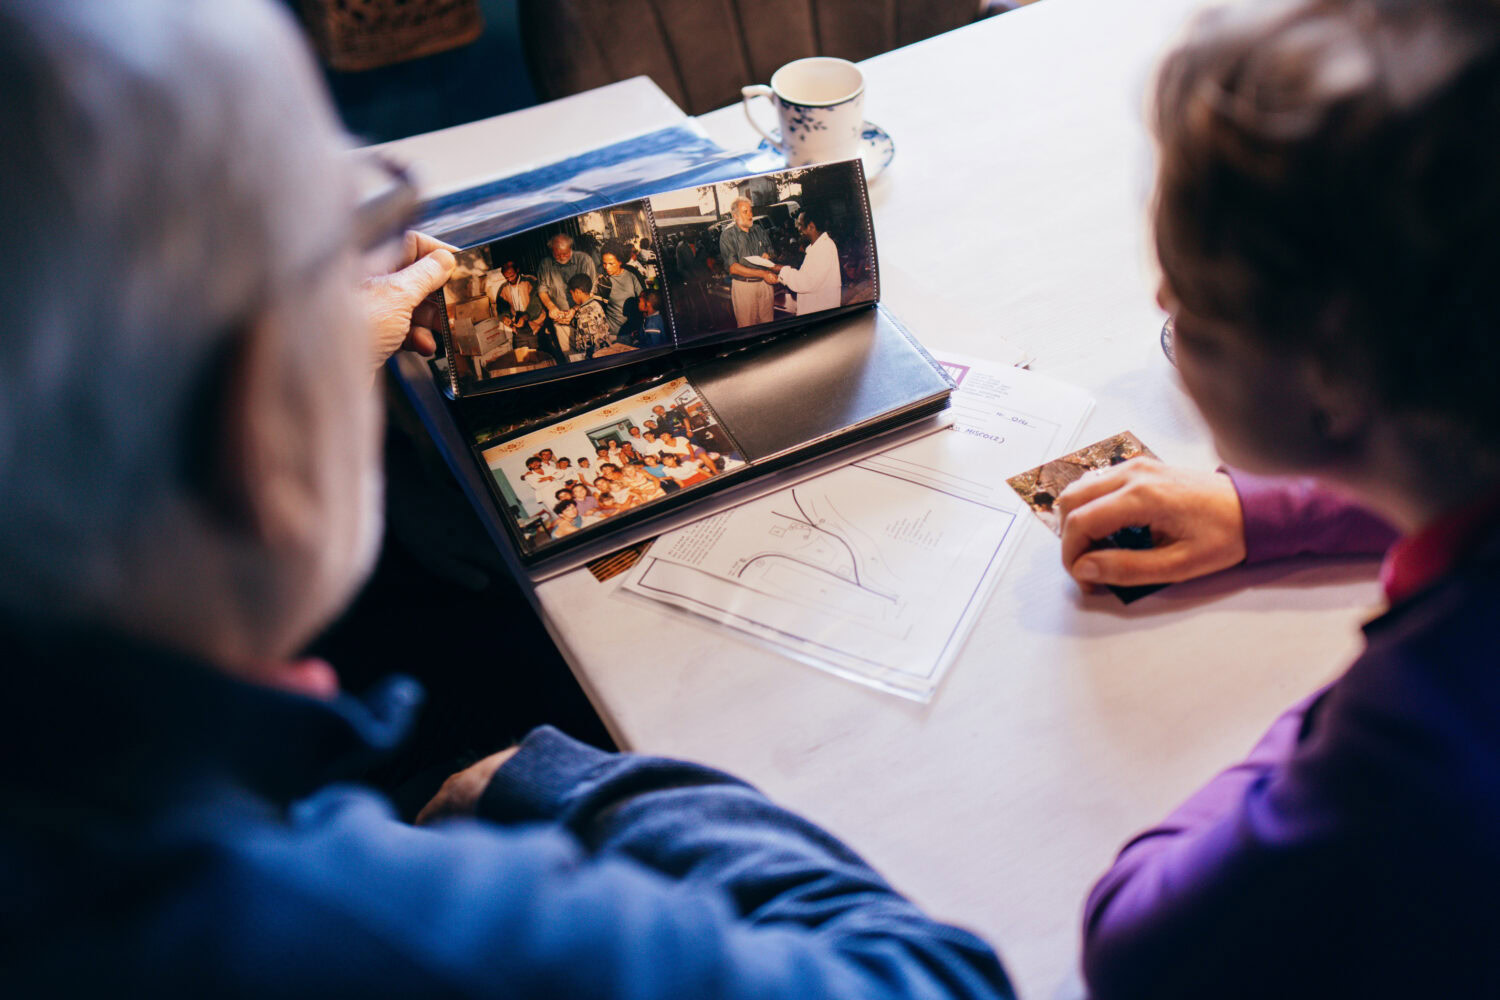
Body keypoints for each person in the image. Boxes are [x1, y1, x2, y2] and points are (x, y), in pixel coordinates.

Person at [0, 4, 1020, 999]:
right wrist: (557, 782)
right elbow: (938, 978)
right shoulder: (370, 929)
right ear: (246, 419)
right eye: (339, 245)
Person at [1052, 3, 1500, 997]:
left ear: (1335, 380)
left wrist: (1346, 712)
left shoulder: (1416, 739)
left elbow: (1134, 944)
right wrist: (1264, 510)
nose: (1166, 306)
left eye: (1196, 314)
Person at [769, 210, 841, 315]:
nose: (798, 229)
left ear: (811, 226)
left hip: (820, 310)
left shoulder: (824, 248)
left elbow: (805, 282)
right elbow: (807, 276)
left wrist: (782, 269)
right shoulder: (815, 247)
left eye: (800, 225)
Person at [536, 232, 597, 352]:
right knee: (570, 355)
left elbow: (591, 292)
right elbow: (542, 290)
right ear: (551, 251)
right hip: (561, 319)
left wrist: (574, 310)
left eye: (565, 253)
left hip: (584, 316)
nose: (562, 257)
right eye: (557, 254)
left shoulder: (584, 260)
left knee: (591, 353)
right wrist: (551, 307)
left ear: (571, 248)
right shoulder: (546, 264)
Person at [719, 196, 775, 327]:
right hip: (744, 287)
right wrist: (761, 274)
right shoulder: (727, 236)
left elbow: (771, 250)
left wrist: (768, 255)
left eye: (750, 211)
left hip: (765, 285)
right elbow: (733, 268)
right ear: (735, 216)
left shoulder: (758, 230)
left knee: (769, 326)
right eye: (745, 211)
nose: (750, 214)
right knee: (749, 328)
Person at [599, 243, 645, 341]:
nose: (606, 267)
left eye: (611, 263)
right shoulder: (603, 281)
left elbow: (644, 298)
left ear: (620, 261)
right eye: (604, 263)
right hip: (615, 334)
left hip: (634, 331)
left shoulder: (632, 275)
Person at [563, 272, 610, 358]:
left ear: (577, 292)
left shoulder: (584, 315)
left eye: (572, 294)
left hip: (594, 358)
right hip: (605, 351)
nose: (572, 297)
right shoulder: (596, 304)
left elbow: (586, 346)